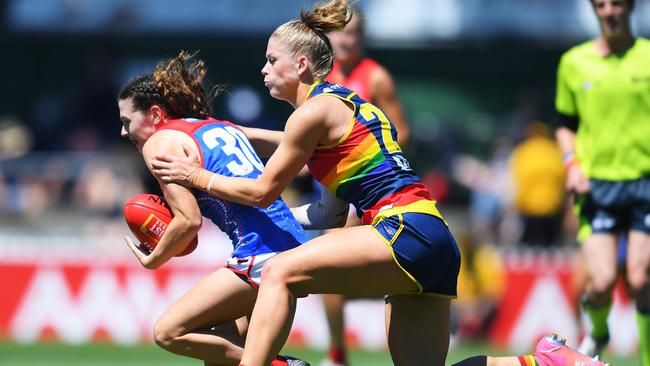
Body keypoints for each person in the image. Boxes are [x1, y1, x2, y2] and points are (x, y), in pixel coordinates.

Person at [150, 2, 607, 366]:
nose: (264, 69)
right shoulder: (339, 104)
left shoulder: (311, 112)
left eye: (272, 60)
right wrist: (246, 138)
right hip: (432, 237)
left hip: (401, 229)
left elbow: (262, 191)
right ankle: (549, 360)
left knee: (279, 272)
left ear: (303, 64)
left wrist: (195, 176)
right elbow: (328, 215)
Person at [117, 51, 311, 366]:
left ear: (154, 114)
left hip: (261, 253)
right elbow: (291, 140)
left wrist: (154, 258)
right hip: (291, 243)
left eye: (127, 122)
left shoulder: (158, 144)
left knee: (169, 332)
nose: (124, 132)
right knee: (217, 355)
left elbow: (188, 222)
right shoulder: (215, 125)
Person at [554, 0, 650, 364]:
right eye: (602, 5)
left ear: (631, 7)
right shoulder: (574, 62)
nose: (610, 12)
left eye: (617, 4)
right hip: (596, 187)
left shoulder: (647, 56)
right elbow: (565, 124)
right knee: (602, 282)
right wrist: (571, 164)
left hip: (645, 183)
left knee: (641, 281)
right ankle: (598, 331)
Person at [321, 7, 411, 366]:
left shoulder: (375, 78)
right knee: (330, 275)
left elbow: (400, 130)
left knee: (331, 268)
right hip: (334, 189)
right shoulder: (321, 76)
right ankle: (338, 353)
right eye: (340, 32)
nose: (346, 39)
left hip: (371, 190)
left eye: (354, 33)